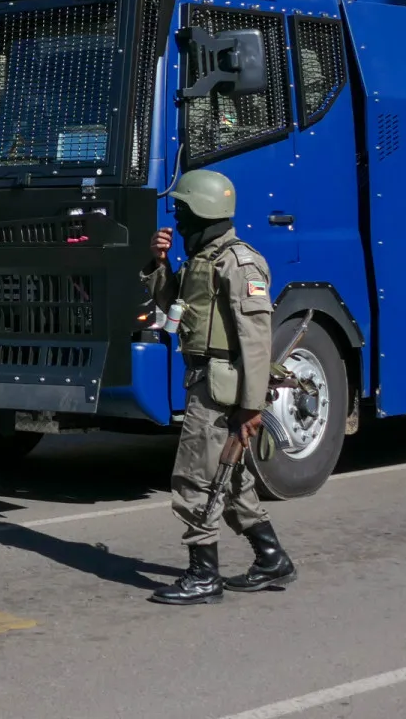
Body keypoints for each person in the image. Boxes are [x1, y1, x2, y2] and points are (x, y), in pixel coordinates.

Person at [141, 169, 296, 605]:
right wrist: (158, 265)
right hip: (206, 380)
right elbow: (177, 309)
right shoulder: (202, 258)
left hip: (220, 388)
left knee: (196, 478)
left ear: (206, 212)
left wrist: (251, 407)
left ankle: (203, 575)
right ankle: (271, 559)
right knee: (230, 480)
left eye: (185, 213)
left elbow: (256, 339)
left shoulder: (239, 263)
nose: (180, 222)